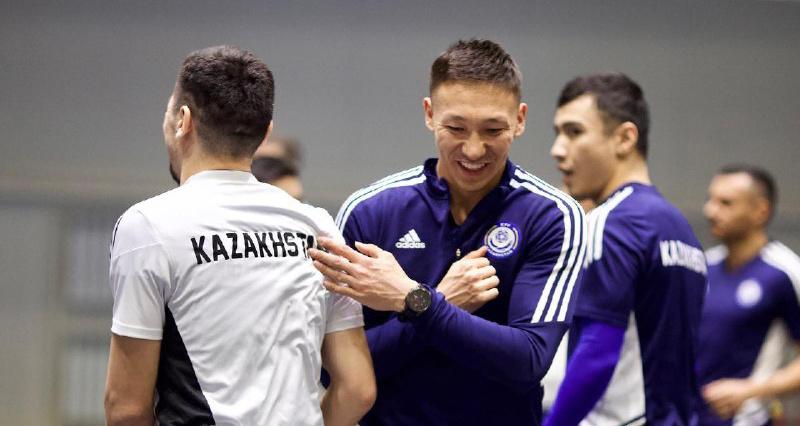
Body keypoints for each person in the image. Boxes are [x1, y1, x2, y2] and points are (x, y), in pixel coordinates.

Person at [308, 39, 587, 426]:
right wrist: (439, 302)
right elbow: (334, 372)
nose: (473, 150)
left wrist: (415, 300)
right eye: (456, 128)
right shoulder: (370, 211)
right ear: (429, 114)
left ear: (520, 120)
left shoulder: (552, 215)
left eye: (493, 129)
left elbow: (528, 360)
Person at [103, 45, 375, 426]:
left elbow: (126, 408)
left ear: (183, 120)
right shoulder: (318, 227)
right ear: (265, 134)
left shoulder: (147, 226)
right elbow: (358, 389)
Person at [544, 72, 707, 426]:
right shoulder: (680, 227)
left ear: (625, 138)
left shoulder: (610, 221)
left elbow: (598, 352)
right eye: (558, 133)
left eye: (574, 132)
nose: (558, 149)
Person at [697, 165, 800, 426]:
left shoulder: (784, 272)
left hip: (747, 419)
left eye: (725, 203)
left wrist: (751, 390)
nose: (710, 211)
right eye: (710, 200)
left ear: (760, 211)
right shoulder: (703, 266)